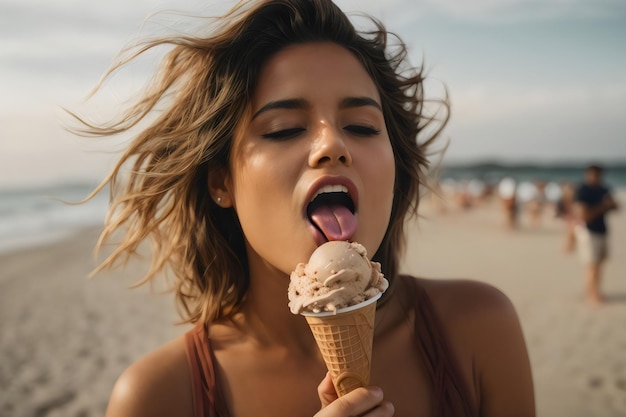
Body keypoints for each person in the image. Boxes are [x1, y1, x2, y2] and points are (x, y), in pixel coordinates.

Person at [70, 1, 535, 416]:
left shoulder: (477, 328)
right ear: (221, 182)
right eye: (283, 129)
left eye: (361, 125)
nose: (332, 143)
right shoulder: (158, 398)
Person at [574, 165, 619, 305]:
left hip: (602, 230)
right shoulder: (583, 191)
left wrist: (606, 206)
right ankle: (591, 293)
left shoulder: (604, 189)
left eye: (598, 175)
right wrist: (604, 206)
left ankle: (596, 290)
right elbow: (584, 215)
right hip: (589, 231)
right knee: (592, 265)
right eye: (593, 175)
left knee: (599, 264)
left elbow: (616, 206)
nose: (596, 178)